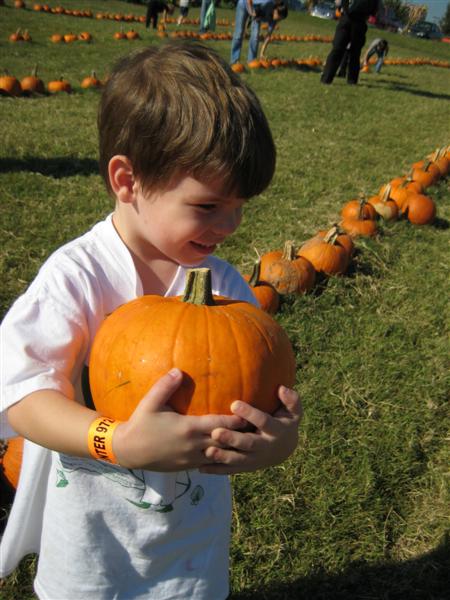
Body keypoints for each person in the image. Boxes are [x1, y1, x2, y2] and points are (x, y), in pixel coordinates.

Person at [0, 42, 301, 600]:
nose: (230, 224)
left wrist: (278, 441)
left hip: (189, 545)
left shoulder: (225, 288)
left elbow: (263, 388)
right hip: (92, 545)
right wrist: (117, 442)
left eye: (240, 206)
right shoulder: (79, 276)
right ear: (127, 180)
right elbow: (22, 394)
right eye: (209, 206)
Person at [321, 0, 382, 85]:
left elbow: (375, 10)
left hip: (360, 21)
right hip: (346, 19)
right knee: (337, 48)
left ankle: (352, 80)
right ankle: (326, 78)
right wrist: (340, 6)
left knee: (355, 52)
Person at [231, 0, 288, 65]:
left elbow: (268, 37)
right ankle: (234, 60)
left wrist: (262, 53)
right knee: (239, 33)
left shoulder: (274, 20)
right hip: (243, 4)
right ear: (276, 11)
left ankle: (251, 61)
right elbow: (249, 1)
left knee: (255, 36)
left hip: (256, 14)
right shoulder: (267, 2)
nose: (279, 20)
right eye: (279, 18)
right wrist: (251, 12)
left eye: (280, 19)